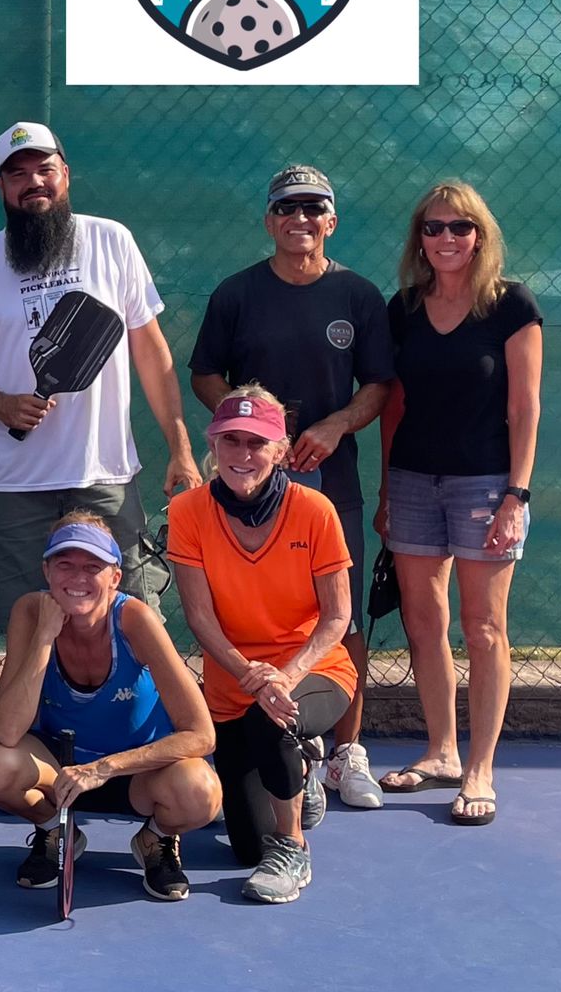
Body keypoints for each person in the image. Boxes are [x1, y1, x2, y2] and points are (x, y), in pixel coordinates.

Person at [0, 121, 202, 632]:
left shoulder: (111, 241)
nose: (33, 181)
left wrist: (180, 448)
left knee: (129, 623)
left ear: (66, 174)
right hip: (10, 484)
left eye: (45, 169)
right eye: (18, 174)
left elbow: (151, 351)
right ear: (0, 186)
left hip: (104, 476)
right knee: (22, 629)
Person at [188, 163, 394, 810]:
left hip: (331, 482)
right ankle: (275, 744)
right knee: (244, 610)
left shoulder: (358, 296)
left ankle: (344, 752)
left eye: (312, 209)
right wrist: (254, 431)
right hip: (250, 485)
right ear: (269, 220)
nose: (299, 219)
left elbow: (378, 386)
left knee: (342, 616)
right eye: (286, 208)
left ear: (331, 221)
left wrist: (336, 424)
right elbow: (203, 375)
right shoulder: (237, 294)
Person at [374, 182, 541, 827]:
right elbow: (393, 406)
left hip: (487, 485)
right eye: (434, 227)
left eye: (460, 227)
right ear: (420, 238)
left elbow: (524, 408)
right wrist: (387, 490)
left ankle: (480, 768)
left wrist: (515, 495)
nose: (446, 238)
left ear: (480, 235)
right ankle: (441, 752)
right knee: (423, 623)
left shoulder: (511, 305)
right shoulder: (404, 308)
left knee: (484, 627)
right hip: (413, 481)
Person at [168, 387, 356, 904]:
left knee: (273, 719)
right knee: (247, 846)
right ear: (214, 444)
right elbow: (199, 616)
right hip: (234, 687)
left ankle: (294, 849)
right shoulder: (187, 511)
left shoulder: (315, 510)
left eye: (257, 442)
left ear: (280, 450)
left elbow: (337, 616)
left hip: (314, 673)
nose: (243, 454)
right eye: (231, 440)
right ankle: (300, 772)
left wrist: (285, 677)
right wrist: (251, 674)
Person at [0, 513, 221, 901]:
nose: (77, 578)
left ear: (115, 578)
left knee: (201, 792)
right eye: (65, 565)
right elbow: (7, 730)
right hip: (60, 774)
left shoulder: (136, 620)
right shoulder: (30, 612)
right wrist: (44, 637)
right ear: (47, 570)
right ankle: (56, 831)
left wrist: (102, 769)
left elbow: (201, 734)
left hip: (137, 775)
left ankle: (156, 840)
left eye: (93, 567)